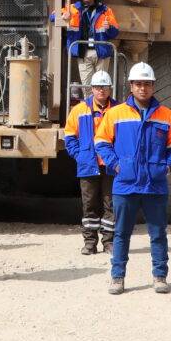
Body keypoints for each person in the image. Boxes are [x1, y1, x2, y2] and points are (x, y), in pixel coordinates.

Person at [94, 62, 171, 295]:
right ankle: (117, 277)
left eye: (147, 84)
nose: (142, 88)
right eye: (138, 84)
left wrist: (166, 167)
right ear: (131, 86)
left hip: (155, 185)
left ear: (153, 86)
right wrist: (116, 165)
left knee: (157, 234)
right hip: (125, 185)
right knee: (121, 233)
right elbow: (101, 142)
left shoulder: (167, 116)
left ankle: (160, 276)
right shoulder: (115, 114)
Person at [63, 70, 119, 256]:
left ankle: (109, 242)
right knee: (90, 205)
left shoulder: (119, 109)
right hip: (88, 165)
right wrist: (80, 156)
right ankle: (90, 243)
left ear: (110, 88)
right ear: (92, 89)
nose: (101, 90)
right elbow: (70, 137)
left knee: (110, 204)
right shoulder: (79, 110)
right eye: (97, 87)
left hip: (111, 166)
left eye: (104, 87)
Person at [50, 0, 120, 88]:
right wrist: (62, 15)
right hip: (83, 52)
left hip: (101, 53)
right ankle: (90, 105)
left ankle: (100, 105)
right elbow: (52, 16)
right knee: (87, 87)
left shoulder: (105, 11)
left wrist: (109, 28)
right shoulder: (72, 9)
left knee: (101, 86)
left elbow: (115, 33)